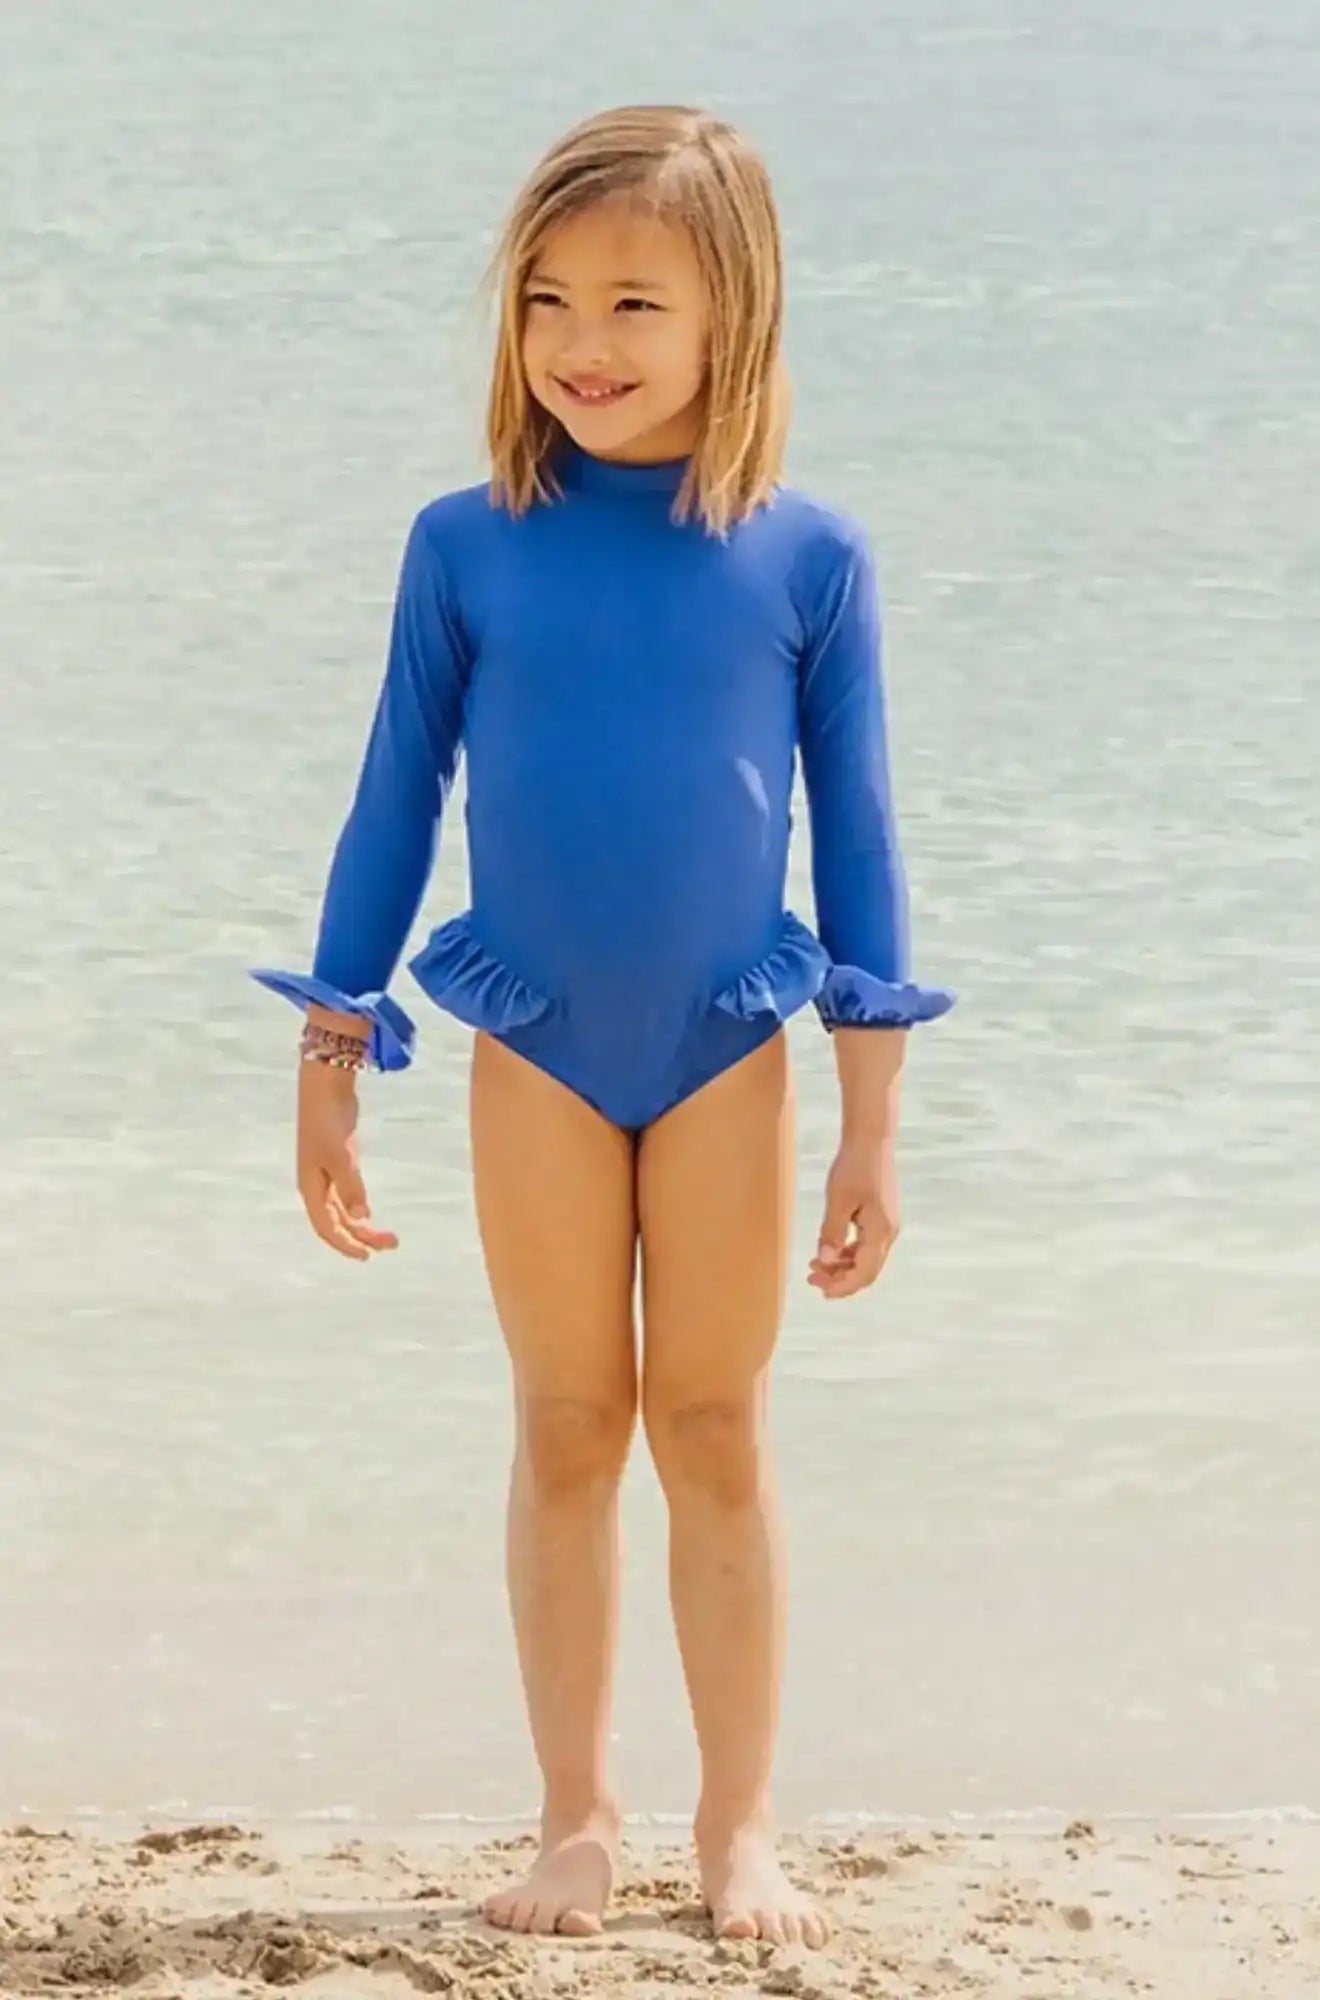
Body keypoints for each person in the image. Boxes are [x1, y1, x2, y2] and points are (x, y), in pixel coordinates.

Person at [249, 103, 954, 1949]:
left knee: (713, 1427)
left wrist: (874, 1121)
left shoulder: (810, 561)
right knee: (567, 1422)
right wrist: (332, 1060)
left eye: (636, 302)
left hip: (729, 1042)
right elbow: (392, 807)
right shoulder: (466, 545)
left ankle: (741, 1831)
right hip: (535, 1042)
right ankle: (575, 1817)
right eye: (549, 298)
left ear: (738, 316)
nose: (583, 342)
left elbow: (862, 846)